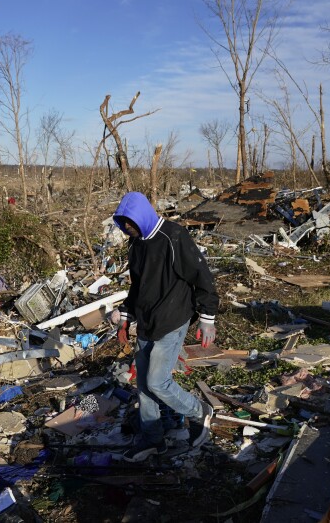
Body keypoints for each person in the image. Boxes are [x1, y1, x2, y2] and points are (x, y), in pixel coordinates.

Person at [111, 191, 219, 462]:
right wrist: (126, 314)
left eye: (130, 222)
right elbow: (139, 286)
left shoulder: (174, 237)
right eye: (123, 223)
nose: (126, 228)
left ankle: (199, 412)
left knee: (158, 382)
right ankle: (153, 439)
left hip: (173, 318)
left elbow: (201, 276)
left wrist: (208, 318)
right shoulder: (136, 244)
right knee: (144, 386)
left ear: (142, 216)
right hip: (148, 320)